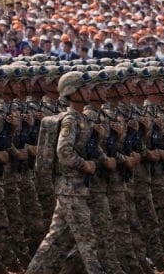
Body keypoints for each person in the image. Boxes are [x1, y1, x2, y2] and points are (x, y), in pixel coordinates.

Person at [25, 71, 105, 274]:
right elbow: (64, 151)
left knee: (56, 240)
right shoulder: (70, 119)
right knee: (87, 241)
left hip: (75, 189)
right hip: (71, 188)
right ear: (71, 91)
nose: (88, 92)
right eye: (83, 88)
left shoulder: (81, 118)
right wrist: (84, 165)